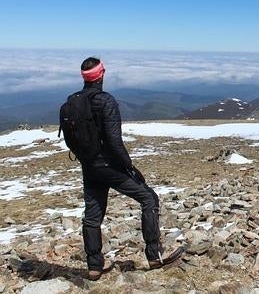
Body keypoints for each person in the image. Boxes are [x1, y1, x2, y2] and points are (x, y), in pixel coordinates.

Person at [75, 57, 182, 281]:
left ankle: (94, 266)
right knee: (149, 199)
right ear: (101, 74)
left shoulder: (74, 102)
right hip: (110, 167)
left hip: (89, 167)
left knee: (93, 216)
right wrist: (129, 167)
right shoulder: (106, 101)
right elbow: (115, 142)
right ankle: (155, 255)